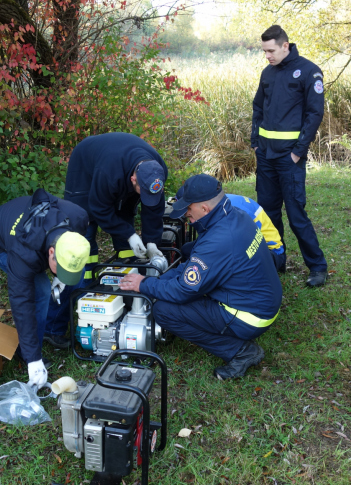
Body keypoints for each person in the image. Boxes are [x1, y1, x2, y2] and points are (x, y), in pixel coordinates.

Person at [119, 174, 283, 380]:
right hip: (263, 300)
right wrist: (162, 280)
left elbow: (184, 291)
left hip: (250, 316)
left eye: (188, 209)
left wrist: (144, 284)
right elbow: (193, 263)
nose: (186, 214)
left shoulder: (218, 242)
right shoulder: (234, 215)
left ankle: (240, 351)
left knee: (164, 310)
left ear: (204, 208)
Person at [44, 132, 169, 348]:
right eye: (142, 191)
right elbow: (99, 209)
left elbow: (154, 208)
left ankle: (124, 308)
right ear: (133, 179)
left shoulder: (157, 170)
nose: (147, 197)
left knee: (128, 250)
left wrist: (151, 242)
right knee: (81, 250)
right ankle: (53, 329)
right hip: (86, 170)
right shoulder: (109, 173)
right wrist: (130, 234)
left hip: (120, 178)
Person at [0, 188, 90, 389]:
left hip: (29, 221)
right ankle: (27, 350)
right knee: (40, 291)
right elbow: (22, 303)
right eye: (58, 267)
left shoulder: (78, 217)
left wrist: (63, 276)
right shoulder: (23, 253)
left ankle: (51, 328)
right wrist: (33, 360)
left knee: (78, 277)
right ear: (51, 252)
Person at [251, 25, 328, 287]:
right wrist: (255, 144)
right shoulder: (267, 73)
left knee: (296, 215)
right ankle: (277, 262)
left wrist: (298, 152)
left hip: (289, 158)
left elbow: (314, 114)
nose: (267, 56)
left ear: (286, 45)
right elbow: (257, 107)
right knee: (268, 213)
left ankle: (317, 267)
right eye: (264, 51)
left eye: (271, 50)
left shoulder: (309, 71)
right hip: (266, 156)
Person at [173, 188, 286, 273]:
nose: (190, 218)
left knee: (218, 262)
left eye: (189, 212)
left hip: (269, 253)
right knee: (187, 250)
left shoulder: (229, 210)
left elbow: (226, 246)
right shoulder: (217, 203)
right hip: (248, 244)